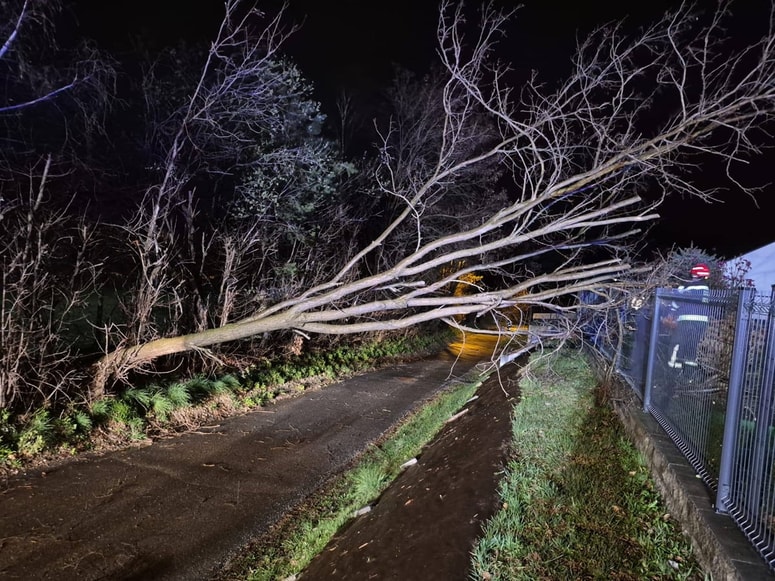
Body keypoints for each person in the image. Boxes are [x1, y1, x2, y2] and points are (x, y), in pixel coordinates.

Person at [666, 263, 711, 371]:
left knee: (678, 343)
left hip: (686, 319)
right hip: (702, 322)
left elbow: (677, 302)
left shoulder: (687, 287)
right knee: (692, 345)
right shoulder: (706, 288)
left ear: (695, 275)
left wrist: (671, 310)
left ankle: (673, 368)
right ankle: (688, 372)